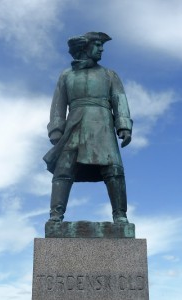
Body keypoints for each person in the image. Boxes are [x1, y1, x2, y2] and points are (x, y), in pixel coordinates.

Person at [43, 32, 133, 224]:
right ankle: (55, 216)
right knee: (63, 169)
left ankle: (120, 215)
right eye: (98, 45)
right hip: (74, 126)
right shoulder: (66, 76)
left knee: (113, 170)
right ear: (85, 47)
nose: (101, 49)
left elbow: (119, 100)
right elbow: (58, 105)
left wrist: (123, 125)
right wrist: (56, 129)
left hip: (103, 126)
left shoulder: (109, 75)